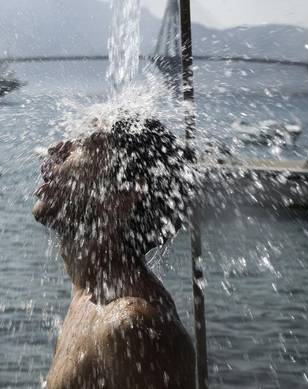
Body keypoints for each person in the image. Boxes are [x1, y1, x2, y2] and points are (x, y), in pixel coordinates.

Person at [33, 115, 196, 389]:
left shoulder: (133, 328)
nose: (57, 149)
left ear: (124, 196)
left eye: (81, 144)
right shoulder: (91, 296)